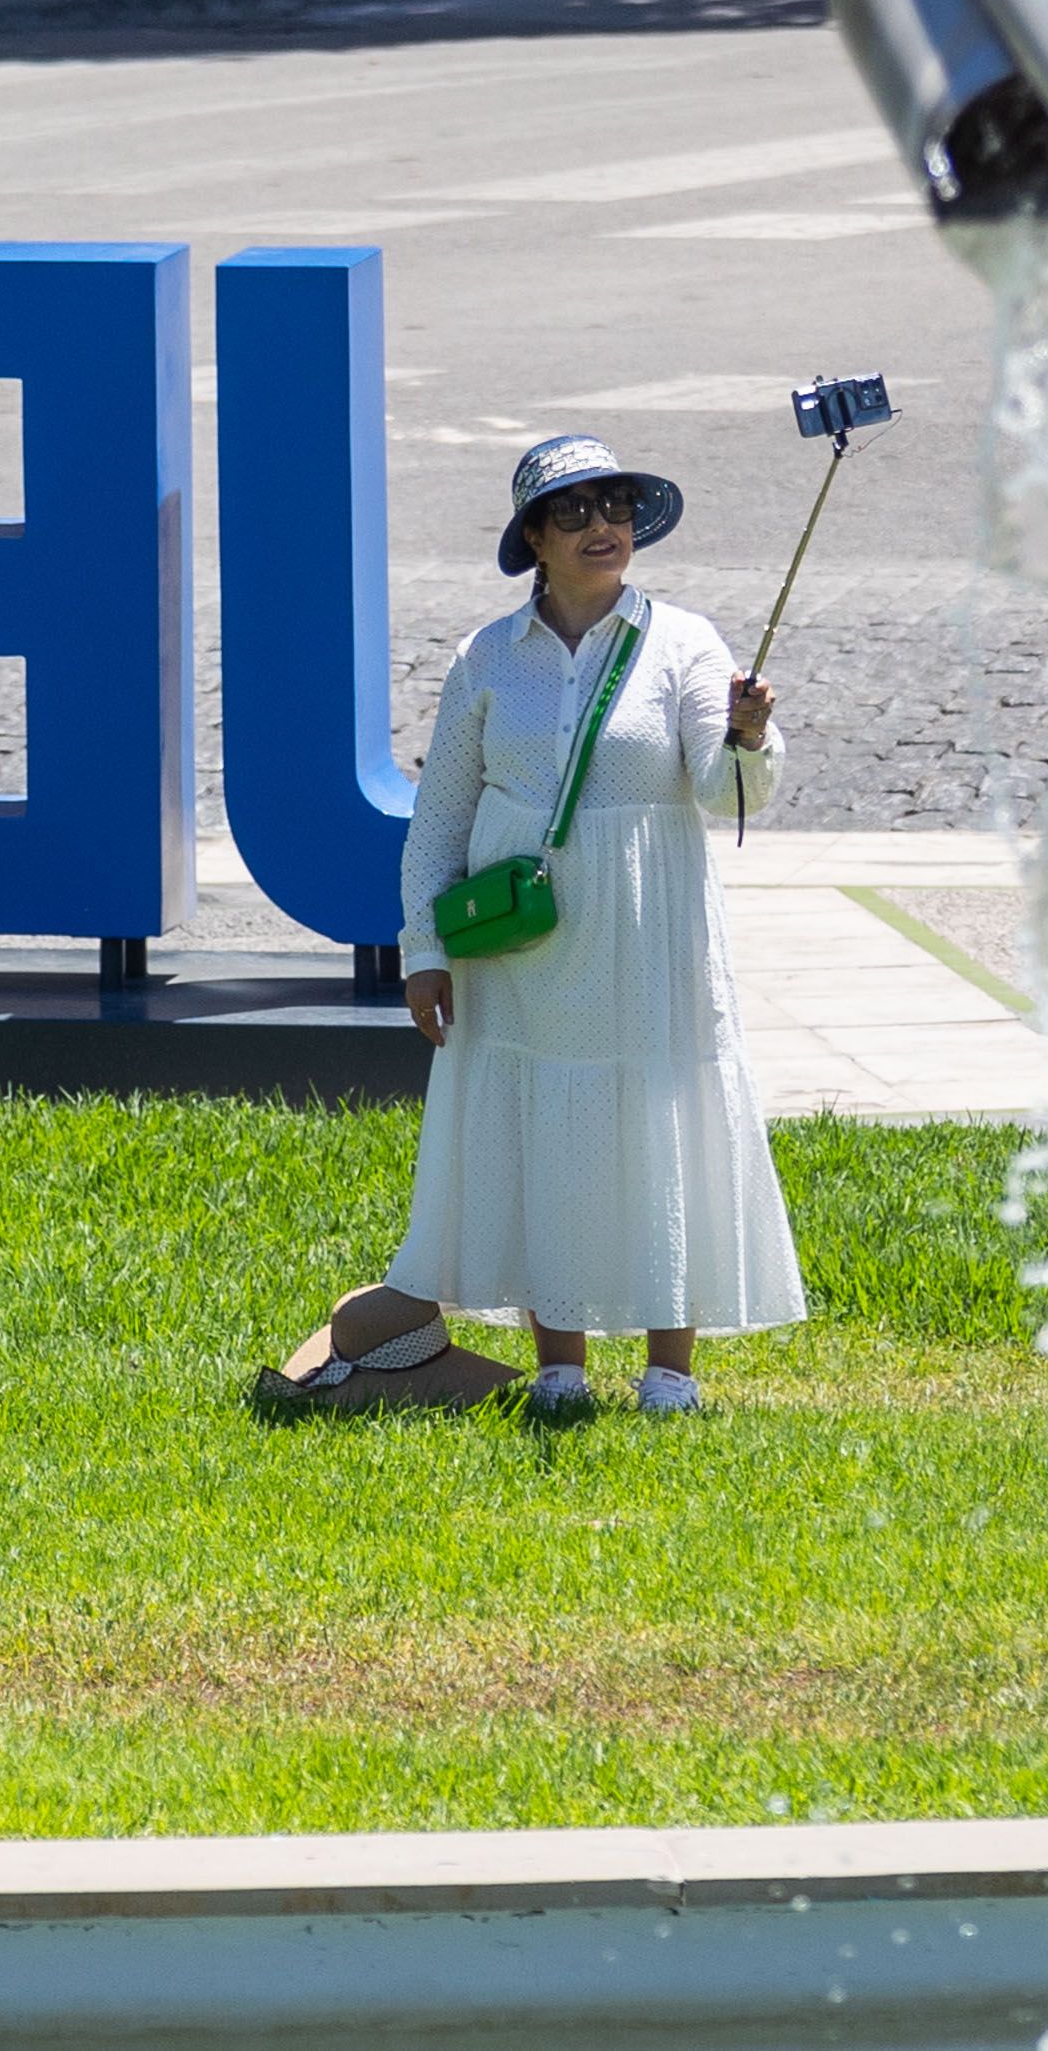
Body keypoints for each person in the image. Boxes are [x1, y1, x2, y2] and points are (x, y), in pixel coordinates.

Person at [347, 434, 808, 1417]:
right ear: (533, 538)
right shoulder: (486, 656)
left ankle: (669, 1370)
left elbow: (724, 790)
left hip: (647, 936)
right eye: (576, 512)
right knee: (542, 1136)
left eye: (616, 508)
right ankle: (558, 1362)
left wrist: (749, 734)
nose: (603, 526)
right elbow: (441, 819)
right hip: (522, 946)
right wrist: (422, 952)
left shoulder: (682, 642)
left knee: (658, 1128)